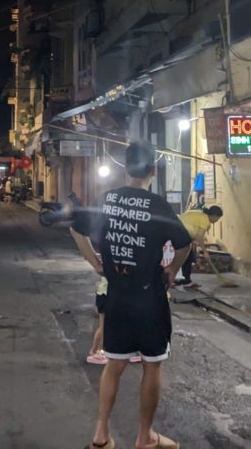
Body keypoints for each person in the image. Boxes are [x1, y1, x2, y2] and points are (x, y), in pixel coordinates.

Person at [71, 141, 192, 449]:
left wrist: (95, 262)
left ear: (125, 168)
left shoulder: (107, 199)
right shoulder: (156, 204)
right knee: (152, 365)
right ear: (153, 170)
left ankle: (101, 436)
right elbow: (184, 243)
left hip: (117, 297)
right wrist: (172, 270)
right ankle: (144, 437)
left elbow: (77, 229)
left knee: (114, 364)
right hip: (150, 299)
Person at [177, 205, 223, 288]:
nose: (217, 220)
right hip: (180, 232)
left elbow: (195, 233)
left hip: (178, 230)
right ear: (213, 216)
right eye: (217, 218)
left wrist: (193, 242)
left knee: (188, 257)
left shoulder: (201, 215)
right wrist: (205, 251)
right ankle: (176, 280)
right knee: (185, 257)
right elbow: (199, 236)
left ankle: (186, 280)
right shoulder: (206, 220)